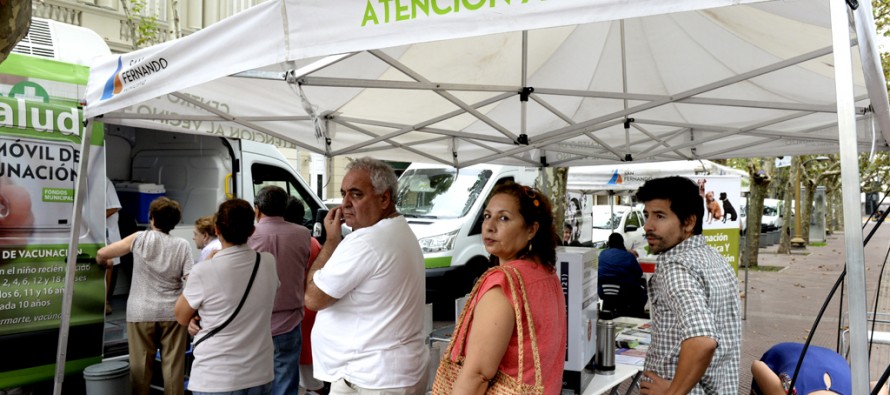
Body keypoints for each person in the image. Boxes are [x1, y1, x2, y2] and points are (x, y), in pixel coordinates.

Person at [305, 157, 427, 395]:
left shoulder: (367, 240)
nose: (344, 204)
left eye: (356, 194)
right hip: (385, 373)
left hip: (371, 378)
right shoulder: (398, 229)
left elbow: (313, 298)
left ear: (384, 198)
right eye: (343, 194)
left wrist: (331, 242)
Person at [444, 182, 567, 395]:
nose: (489, 226)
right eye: (487, 216)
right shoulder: (548, 275)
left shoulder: (503, 282)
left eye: (504, 218)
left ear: (531, 229)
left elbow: (478, 374)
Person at [635, 176, 741, 395]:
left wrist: (673, 392)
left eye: (660, 216)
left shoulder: (676, 268)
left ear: (689, 222)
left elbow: (702, 341)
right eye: (647, 216)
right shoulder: (715, 258)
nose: (647, 226)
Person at [175, 199, 279, 395]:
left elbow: (181, 315)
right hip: (260, 373)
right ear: (252, 231)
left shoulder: (204, 270)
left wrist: (196, 317)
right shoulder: (267, 262)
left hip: (216, 376)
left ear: (216, 229)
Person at [97, 196, 193, 395]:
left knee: (140, 372)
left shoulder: (140, 238)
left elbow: (103, 253)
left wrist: (103, 263)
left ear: (152, 218)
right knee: (174, 371)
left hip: (141, 313)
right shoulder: (182, 245)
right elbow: (190, 280)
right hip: (173, 314)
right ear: (175, 222)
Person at [249, 185, 313, 395]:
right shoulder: (303, 234)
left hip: (254, 322)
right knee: (285, 383)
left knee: (255, 384)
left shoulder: (248, 236)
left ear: (257, 209)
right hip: (290, 321)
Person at [284, 196, 326, 395]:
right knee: (310, 374)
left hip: (291, 311)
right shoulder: (312, 242)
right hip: (308, 310)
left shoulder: (279, 241)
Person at [751, 342, 889, 395]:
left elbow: (877, 384)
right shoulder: (783, 392)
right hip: (788, 352)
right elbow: (756, 365)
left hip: (835, 359)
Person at [597, 233, 647, 318]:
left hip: (603, 290)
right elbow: (639, 273)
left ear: (609, 243)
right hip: (624, 292)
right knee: (641, 292)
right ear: (622, 243)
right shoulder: (629, 256)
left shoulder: (602, 254)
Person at [105, 177, 122, 315]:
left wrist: (92, 218)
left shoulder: (105, 181)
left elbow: (113, 206)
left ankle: (106, 302)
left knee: (109, 265)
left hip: (108, 234)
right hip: (95, 233)